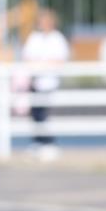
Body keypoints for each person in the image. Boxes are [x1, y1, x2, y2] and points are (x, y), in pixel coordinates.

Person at [21, 9, 70, 160]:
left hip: (50, 82)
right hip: (35, 81)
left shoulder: (57, 38)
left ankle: (48, 143)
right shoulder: (34, 38)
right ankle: (39, 142)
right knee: (36, 113)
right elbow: (27, 57)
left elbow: (60, 59)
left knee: (44, 114)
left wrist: (41, 64)